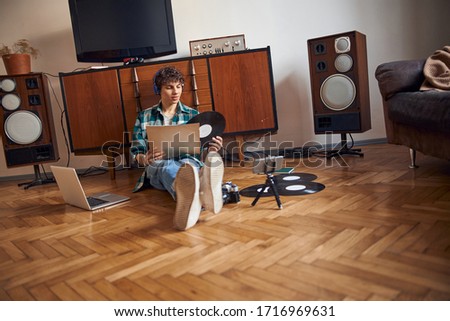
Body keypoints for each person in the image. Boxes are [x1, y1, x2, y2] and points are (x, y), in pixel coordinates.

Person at [130, 66, 224, 230]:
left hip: (188, 162)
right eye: (169, 87)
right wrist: (144, 158)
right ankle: (202, 190)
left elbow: (199, 150)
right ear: (158, 90)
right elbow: (135, 152)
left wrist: (211, 150)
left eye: (179, 86)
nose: (176, 92)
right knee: (166, 166)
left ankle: (190, 200)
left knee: (188, 163)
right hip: (157, 166)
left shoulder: (192, 115)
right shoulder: (144, 116)